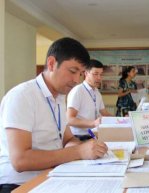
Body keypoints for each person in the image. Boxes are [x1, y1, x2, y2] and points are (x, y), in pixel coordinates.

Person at [0, 37, 108, 193]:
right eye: (72, 71)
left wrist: (83, 148)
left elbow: (68, 138)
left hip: (52, 176)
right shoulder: (22, 96)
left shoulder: (58, 98)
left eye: (81, 74)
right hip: (19, 184)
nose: (76, 80)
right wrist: (77, 152)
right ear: (51, 64)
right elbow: (20, 160)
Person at [67, 59, 112, 141]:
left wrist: (123, 120)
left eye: (101, 74)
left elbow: (104, 113)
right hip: (78, 137)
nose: (99, 78)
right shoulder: (78, 91)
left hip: (93, 136)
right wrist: (93, 123)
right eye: (95, 74)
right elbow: (69, 119)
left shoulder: (97, 92)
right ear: (86, 73)